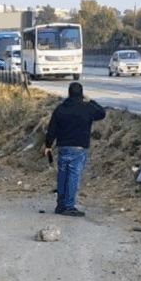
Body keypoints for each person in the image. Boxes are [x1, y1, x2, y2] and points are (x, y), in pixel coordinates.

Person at [44, 82, 106, 217]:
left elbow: (52, 129)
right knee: (73, 177)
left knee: (62, 176)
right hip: (79, 148)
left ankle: (60, 205)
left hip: (63, 147)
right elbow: (102, 113)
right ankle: (69, 206)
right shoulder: (87, 107)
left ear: (69, 93)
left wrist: (48, 145)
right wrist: (90, 100)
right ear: (81, 94)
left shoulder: (60, 108)